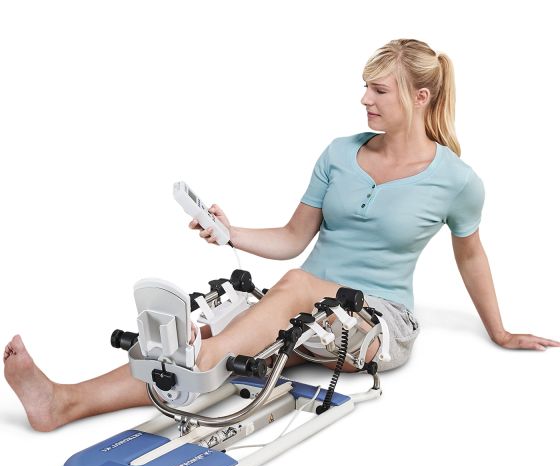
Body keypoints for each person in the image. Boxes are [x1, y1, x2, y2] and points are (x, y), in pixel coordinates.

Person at [4, 38, 559, 432]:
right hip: (306, 310)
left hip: (378, 323)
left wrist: (500, 332)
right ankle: (63, 402)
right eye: (364, 88)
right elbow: (295, 236)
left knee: (270, 304)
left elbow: (472, 256)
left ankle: (204, 356)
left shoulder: (456, 180)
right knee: (219, 322)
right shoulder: (339, 153)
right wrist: (228, 233)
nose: (365, 99)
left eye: (379, 90)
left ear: (420, 97)